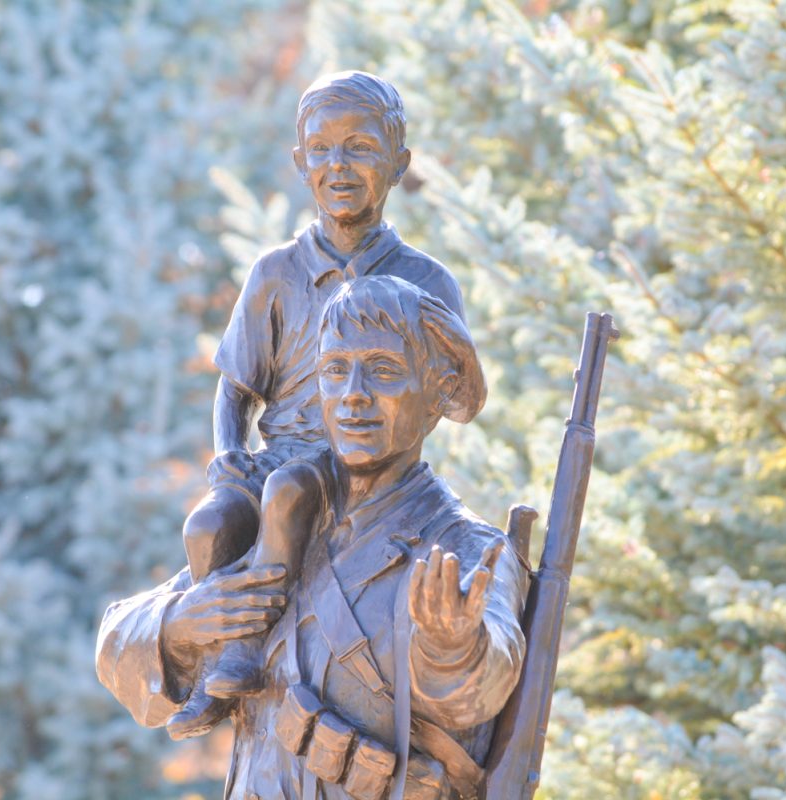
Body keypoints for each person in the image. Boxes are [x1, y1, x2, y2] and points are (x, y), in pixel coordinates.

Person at [97, 276, 527, 799]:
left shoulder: (468, 548)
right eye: (335, 371)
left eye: (384, 371)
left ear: (437, 388)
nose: (354, 396)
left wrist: (453, 646)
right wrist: (179, 627)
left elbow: (486, 682)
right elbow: (115, 643)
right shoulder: (286, 517)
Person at [173, 71, 468, 739]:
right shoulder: (276, 273)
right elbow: (236, 386)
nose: (339, 166)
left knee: (287, 491)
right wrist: (228, 456)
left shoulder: (425, 282)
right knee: (209, 525)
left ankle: (244, 651)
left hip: (367, 465)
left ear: (398, 163)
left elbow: (452, 389)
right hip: (280, 451)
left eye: (360, 147)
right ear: (301, 161)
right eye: (322, 149)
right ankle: (222, 650)